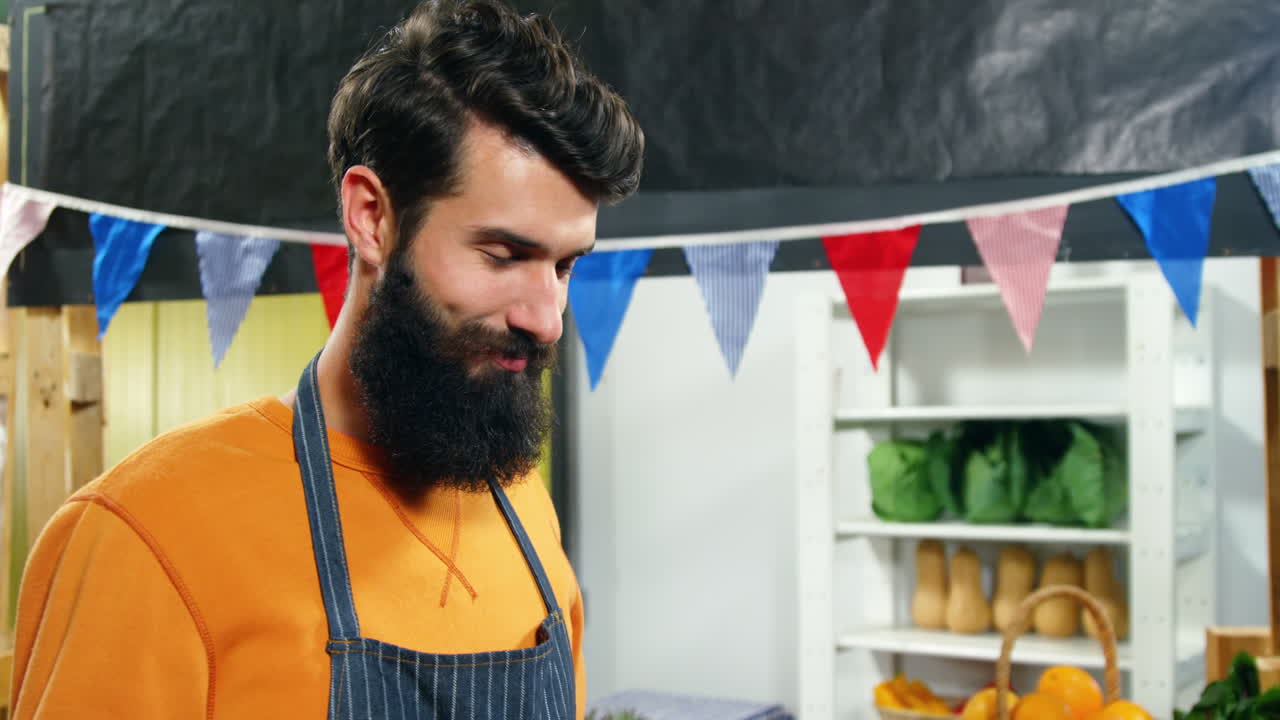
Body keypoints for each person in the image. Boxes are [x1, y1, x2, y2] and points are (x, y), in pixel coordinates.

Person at [8, 0, 643, 717]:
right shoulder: (146, 536)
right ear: (371, 217)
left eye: (564, 267)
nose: (546, 318)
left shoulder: (522, 502)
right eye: (503, 255)